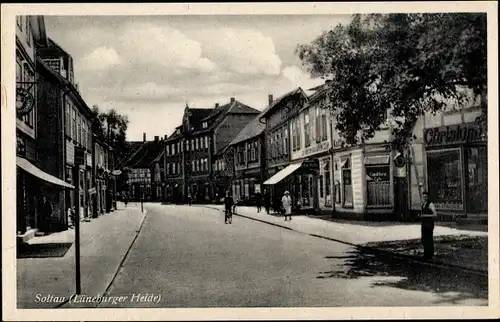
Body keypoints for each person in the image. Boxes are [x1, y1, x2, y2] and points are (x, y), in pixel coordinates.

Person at [420, 191, 437, 260]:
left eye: (426, 197)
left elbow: (435, 214)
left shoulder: (431, 204)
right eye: (424, 197)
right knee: (424, 239)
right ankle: (426, 253)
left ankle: (430, 254)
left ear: (428, 197)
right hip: (424, 223)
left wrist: (426, 216)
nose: (425, 198)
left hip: (429, 224)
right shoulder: (423, 204)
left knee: (429, 239)